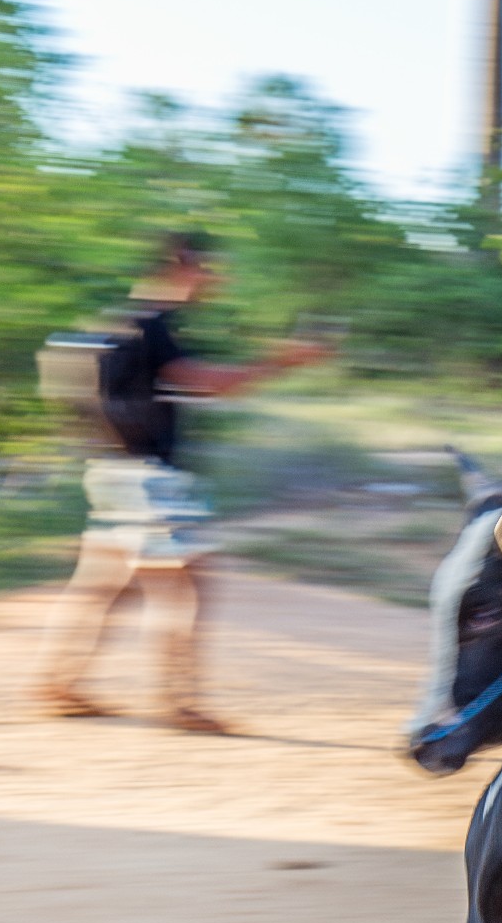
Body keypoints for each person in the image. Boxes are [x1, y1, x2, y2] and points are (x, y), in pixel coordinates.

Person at [36, 231, 329, 732]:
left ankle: (59, 684)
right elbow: (215, 384)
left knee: (104, 587)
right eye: (211, 268)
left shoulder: (118, 323)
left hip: (108, 472)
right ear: (182, 265)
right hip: (148, 478)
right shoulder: (152, 327)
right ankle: (179, 703)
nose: (218, 279)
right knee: (187, 585)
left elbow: (174, 391)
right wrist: (283, 361)